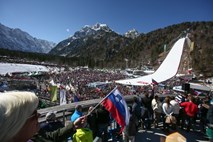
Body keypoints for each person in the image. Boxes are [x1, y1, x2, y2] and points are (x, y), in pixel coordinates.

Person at [0, 91, 87, 142]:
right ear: (16, 125)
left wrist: (73, 126)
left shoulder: (35, 135)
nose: (39, 115)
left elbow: (51, 137)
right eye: (33, 113)